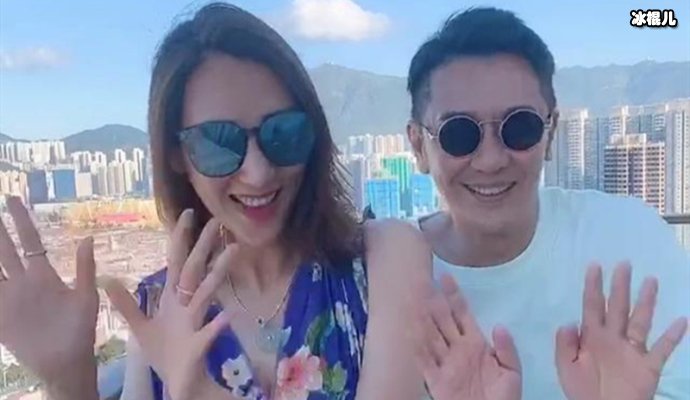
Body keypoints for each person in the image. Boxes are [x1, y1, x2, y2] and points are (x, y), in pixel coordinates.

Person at [0, 3, 431, 400]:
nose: (258, 172)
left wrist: (200, 392)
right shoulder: (162, 308)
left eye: (283, 132)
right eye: (218, 143)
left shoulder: (384, 258)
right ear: (177, 157)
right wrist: (70, 379)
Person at [405, 7, 690, 400]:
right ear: (419, 146)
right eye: (458, 133)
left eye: (519, 127)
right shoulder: (385, 282)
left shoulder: (630, 238)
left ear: (551, 132)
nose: (490, 160)